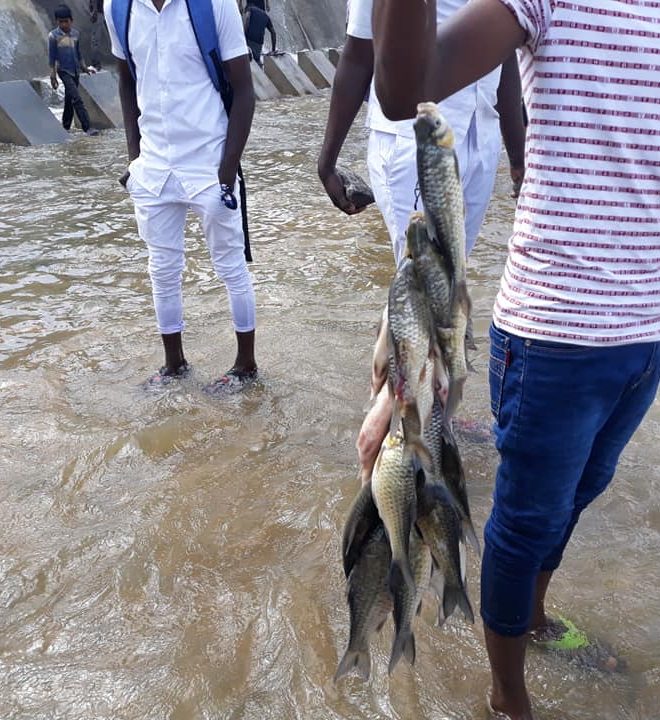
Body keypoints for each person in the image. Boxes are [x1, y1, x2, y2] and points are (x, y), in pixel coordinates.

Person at [370, 1, 660, 718]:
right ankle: (507, 697)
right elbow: (410, 88)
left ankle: (530, 617)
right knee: (527, 519)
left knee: (583, 490)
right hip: (555, 332)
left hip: (646, 330)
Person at [318, 0, 526, 482]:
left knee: (442, 289)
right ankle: (390, 440)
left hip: (478, 135)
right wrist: (326, 161)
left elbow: (507, 58)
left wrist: (519, 156)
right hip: (415, 141)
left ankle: (428, 416)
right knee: (421, 291)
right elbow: (359, 51)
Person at [104, 0, 258, 393]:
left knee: (230, 266)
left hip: (209, 160)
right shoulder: (117, 8)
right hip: (155, 166)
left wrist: (227, 168)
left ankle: (245, 365)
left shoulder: (214, 6)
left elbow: (244, 90)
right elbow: (126, 80)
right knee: (162, 269)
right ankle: (174, 364)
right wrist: (135, 159)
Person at [48, 4, 99, 136]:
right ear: (57, 22)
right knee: (76, 98)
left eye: (66, 21)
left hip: (75, 70)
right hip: (63, 71)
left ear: (71, 20)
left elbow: (78, 53)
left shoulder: (76, 34)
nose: (64, 24)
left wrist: (85, 68)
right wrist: (53, 74)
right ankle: (87, 127)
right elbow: (52, 57)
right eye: (61, 22)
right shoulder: (53, 36)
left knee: (70, 100)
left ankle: (65, 127)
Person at [243, 0, 276, 67]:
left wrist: (243, 35)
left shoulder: (250, 9)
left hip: (248, 40)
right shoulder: (266, 16)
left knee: (247, 61)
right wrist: (273, 50)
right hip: (258, 44)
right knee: (256, 60)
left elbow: (246, 20)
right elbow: (273, 33)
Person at [88, 0, 104, 70]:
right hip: (99, 11)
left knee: (95, 40)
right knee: (95, 40)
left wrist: (94, 11)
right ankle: (96, 62)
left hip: (98, 12)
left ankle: (95, 63)